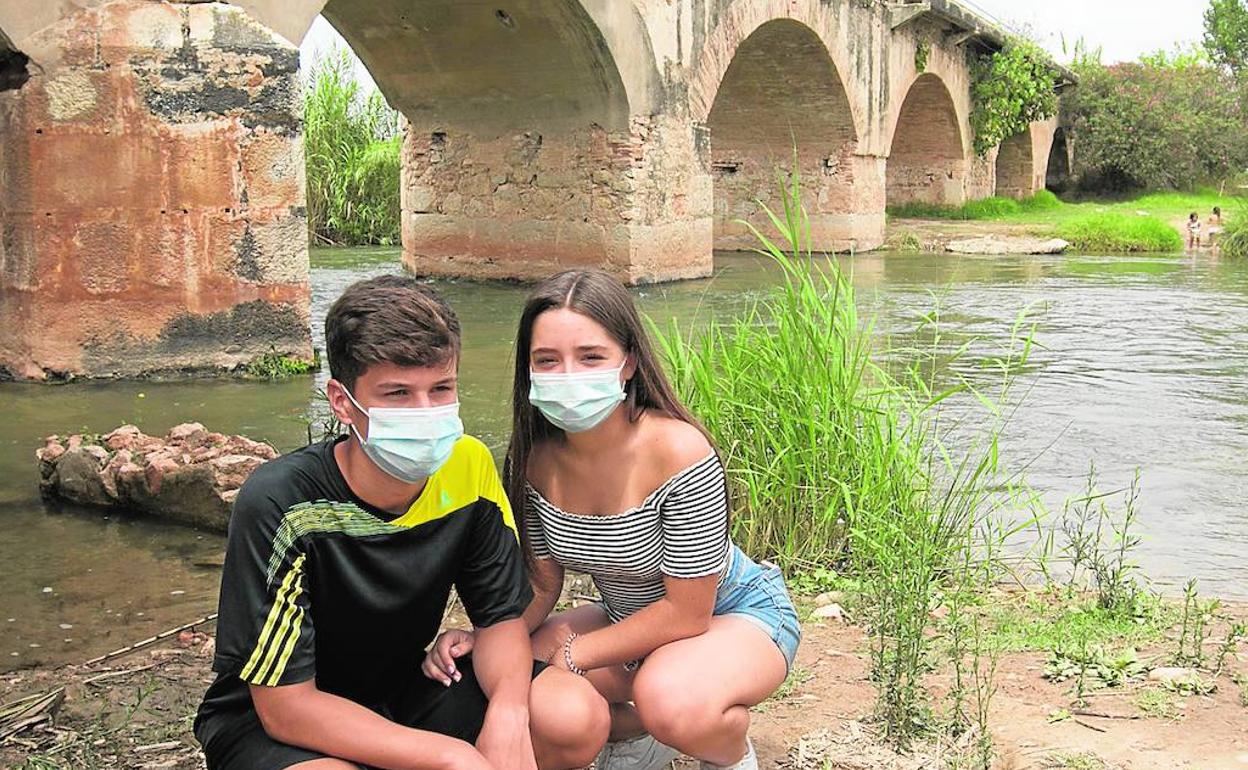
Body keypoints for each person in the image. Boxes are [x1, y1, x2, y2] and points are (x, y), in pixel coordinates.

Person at [194, 275, 609, 770]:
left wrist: (508, 710)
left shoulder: (467, 466)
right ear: (343, 401)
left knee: (573, 715)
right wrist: (453, 755)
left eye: (441, 389)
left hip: (403, 684)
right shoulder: (282, 501)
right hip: (277, 718)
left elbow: (499, 620)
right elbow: (285, 708)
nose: (425, 412)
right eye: (397, 394)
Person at [423, 270, 801, 770]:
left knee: (666, 694)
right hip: (629, 620)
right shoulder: (537, 460)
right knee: (514, 672)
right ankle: (645, 734)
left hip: (730, 615)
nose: (568, 374)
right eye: (547, 360)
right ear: (529, 370)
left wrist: (578, 654)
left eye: (590, 357)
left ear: (628, 364)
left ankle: (726, 751)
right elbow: (539, 585)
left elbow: (687, 612)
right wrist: (488, 636)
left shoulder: (678, 450)